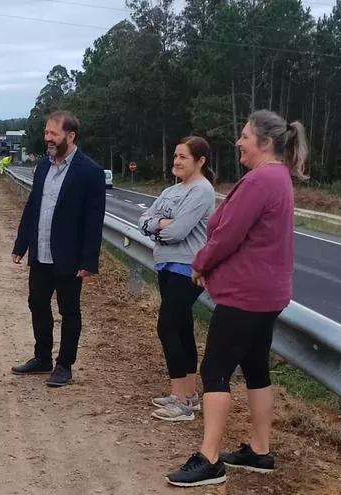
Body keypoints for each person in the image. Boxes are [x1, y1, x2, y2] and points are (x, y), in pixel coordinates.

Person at [166, 109, 307, 487]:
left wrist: (200, 263)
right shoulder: (280, 177)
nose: (238, 142)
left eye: (245, 136)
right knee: (256, 368)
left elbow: (228, 233)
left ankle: (209, 459)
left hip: (245, 294)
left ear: (265, 142)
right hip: (268, 293)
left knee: (215, 370)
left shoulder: (260, 180)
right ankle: (259, 451)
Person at [10, 110, 107, 387]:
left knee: (69, 311)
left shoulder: (90, 172)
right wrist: (21, 245)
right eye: (46, 132)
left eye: (54, 133)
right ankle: (43, 358)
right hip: (40, 252)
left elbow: (94, 220)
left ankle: (64, 365)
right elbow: (33, 207)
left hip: (68, 256)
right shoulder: (43, 167)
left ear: (70, 136)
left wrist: (88, 260)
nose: (48, 138)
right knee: (37, 303)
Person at [139, 136, 215, 422]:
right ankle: (190, 395)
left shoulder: (202, 190)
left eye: (183, 157)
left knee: (167, 327)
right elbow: (143, 220)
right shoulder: (171, 190)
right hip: (166, 264)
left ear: (200, 161)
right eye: (175, 156)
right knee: (182, 328)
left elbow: (178, 232)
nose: (176, 161)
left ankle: (179, 401)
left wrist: (157, 227)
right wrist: (160, 224)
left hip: (188, 267)